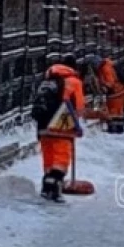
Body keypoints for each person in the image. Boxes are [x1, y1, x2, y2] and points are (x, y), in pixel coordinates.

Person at [35, 55, 85, 202]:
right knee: (61, 158)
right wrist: (76, 124)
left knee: (49, 158)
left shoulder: (47, 80)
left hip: (43, 125)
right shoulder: (74, 81)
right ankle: (55, 188)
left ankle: (46, 187)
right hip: (62, 126)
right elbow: (79, 107)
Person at [89, 54, 124, 134]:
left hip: (116, 92)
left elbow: (110, 82)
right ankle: (117, 128)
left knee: (115, 113)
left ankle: (115, 129)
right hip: (117, 92)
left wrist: (104, 88)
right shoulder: (105, 66)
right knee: (117, 112)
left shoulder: (105, 68)